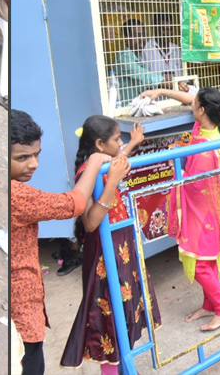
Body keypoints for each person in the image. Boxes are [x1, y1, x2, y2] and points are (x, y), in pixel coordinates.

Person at [10, 109, 110, 375]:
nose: (34, 164)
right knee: (30, 362)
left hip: (26, 300)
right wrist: (95, 164)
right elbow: (76, 204)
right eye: (23, 157)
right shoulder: (15, 195)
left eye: (36, 154)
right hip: (21, 307)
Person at [59, 115, 156, 370]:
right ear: (100, 144)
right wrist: (112, 183)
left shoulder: (105, 160)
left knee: (126, 309)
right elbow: (91, 222)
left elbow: (117, 157)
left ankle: (124, 365)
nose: (120, 142)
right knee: (109, 318)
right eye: (117, 139)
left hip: (121, 245)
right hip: (105, 251)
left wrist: (132, 144)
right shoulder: (87, 173)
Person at [144, 86, 220, 325]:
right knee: (208, 258)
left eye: (195, 103)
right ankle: (210, 304)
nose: (191, 104)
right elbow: (189, 99)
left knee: (199, 263)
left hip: (206, 206)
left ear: (202, 110)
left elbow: (194, 185)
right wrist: (160, 91)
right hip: (212, 203)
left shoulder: (206, 149)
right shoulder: (211, 124)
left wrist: (177, 164)